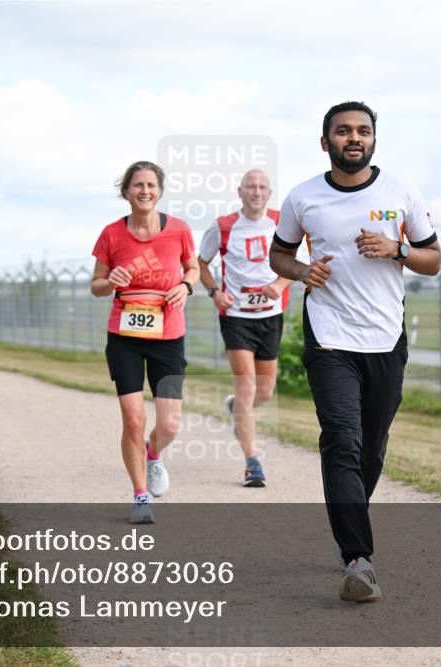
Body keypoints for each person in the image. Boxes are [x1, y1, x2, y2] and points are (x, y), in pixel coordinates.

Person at [269, 101, 441, 603]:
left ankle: (349, 513)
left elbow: (432, 260)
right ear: (325, 142)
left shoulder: (401, 191)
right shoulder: (304, 197)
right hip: (328, 335)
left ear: (373, 140)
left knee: (371, 444)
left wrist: (397, 250)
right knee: (341, 439)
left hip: (386, 336)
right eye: (342, 131)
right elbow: (280, 254)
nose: (353, 138)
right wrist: (302, 272)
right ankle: (358, 561)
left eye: (362, 131)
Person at [90, 160, 198, 525]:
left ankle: (154, 454)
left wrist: (186, 286)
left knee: (170, 425)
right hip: (125, 336)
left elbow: (193, 267)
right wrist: (111, 282)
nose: (145, 191)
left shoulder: (179, 229)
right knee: (133, 420)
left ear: (160, 191)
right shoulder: (110, 234)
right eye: (138, 185)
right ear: (126, 192)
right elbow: (95, 286)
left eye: (151, 185)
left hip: (168, 335)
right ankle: (140, 496)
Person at [197, 169, 291, 488]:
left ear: (269, 192)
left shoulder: (282, 222)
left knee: (264, 391)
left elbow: (297, 263)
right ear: (240, 192)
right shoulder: (223, 226)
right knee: (248, 387)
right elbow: (200, 264)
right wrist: (214, 292)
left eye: (263, 187)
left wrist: (280, 283)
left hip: (271, 315)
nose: (257, 192)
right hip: (236, 316)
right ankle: (253, 464)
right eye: (251, 187)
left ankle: (236, 410)